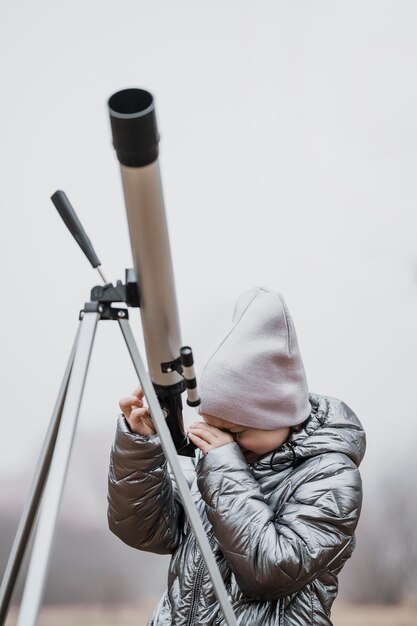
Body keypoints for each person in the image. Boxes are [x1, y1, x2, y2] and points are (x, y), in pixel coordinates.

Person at [107, 287, 366, 626]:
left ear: (280, 415)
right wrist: (140, 445)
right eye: (215, 426)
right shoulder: (217, 459)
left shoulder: (331, 476)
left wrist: (224, 467)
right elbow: (146, 530)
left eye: (238, 431)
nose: (224, 439)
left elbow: (272, 570)